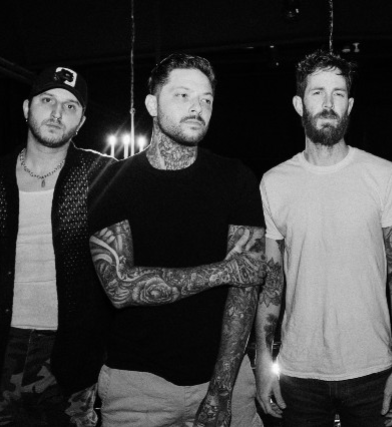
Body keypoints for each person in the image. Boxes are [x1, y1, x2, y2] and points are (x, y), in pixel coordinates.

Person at [88, 53, 266, 427]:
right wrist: (223, 271)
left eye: (206, 99)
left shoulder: (235, 178)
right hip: (137, 387)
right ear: (152, 104)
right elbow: (120, 287)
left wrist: (221, 392)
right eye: (182, 95)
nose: (197, 108)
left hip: (227, 379)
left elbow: (246, 290)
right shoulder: (113, 183)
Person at [0, 66, 114, 427]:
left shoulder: (105, 179)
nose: (57, 113)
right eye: (47, 100)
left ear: (82, 121)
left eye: (70, 106)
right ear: (26, 108)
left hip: (75, 360)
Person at [255, 50, 392, 427]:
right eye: (317, 93)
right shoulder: (274, 182)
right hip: (298, 373)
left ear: (350, 105)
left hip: (374, 371)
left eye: (338, 94)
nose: (328, 103)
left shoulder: (383, 175)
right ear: (299, 104)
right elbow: (271, 284)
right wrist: (264, 361)